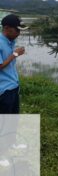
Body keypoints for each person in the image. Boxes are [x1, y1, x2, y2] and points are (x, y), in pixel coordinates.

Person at [0, 14, 28, 167]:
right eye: (17, 30)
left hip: (13, 87)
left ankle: (11, 143)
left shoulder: (11, 41)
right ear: (6, 28)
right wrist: (15, 54)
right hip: (3, 90)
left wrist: (14, 52)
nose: (19, 33)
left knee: (13, 119)